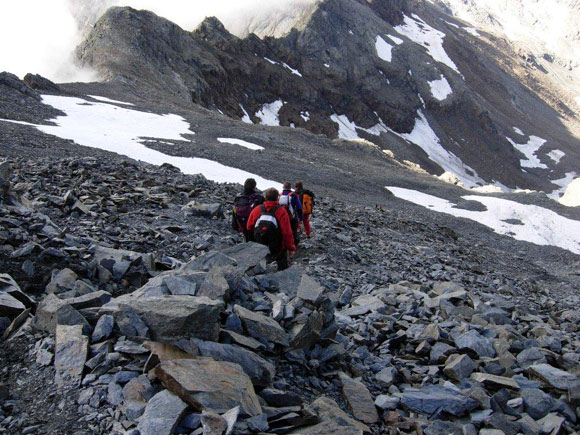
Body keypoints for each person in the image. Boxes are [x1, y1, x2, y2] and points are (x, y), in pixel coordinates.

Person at [247, 187, 296, 270]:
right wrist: (291, 248)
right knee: (282, 268)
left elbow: (249, 226)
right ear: (277, 198)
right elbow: (287, 233)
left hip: (259, 245)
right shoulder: (281, 211)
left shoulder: (257, 209)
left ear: (266, 197)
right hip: (277, 247)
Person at [279, 181, 302, 246]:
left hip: (282, 216)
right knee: (293, 230)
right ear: (290, 187)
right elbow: (299, 207)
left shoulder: (279, 195)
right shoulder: (293, 195)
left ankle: (283, 244)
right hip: (292, 217)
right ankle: (293, 245)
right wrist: (301, 218)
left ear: (283, 187)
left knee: (282, 230)